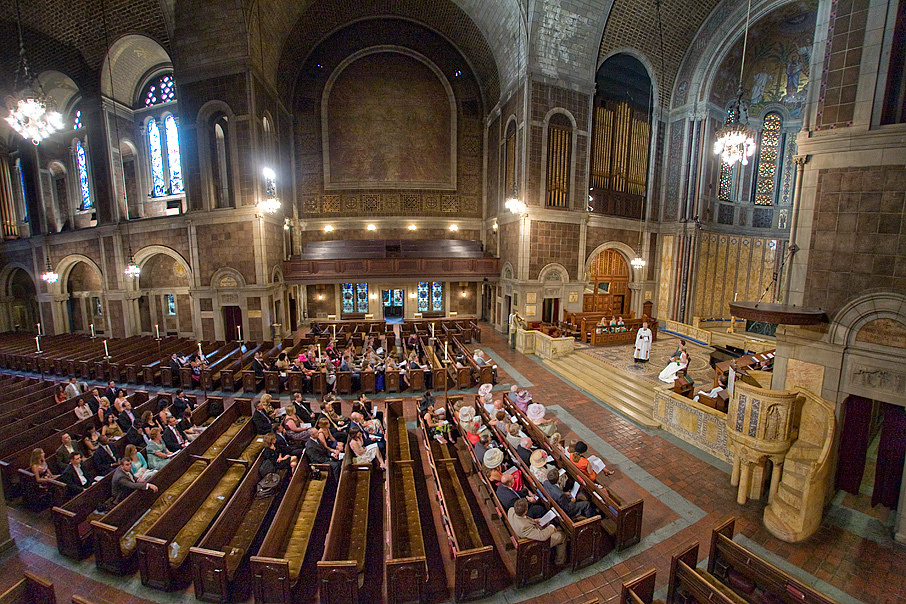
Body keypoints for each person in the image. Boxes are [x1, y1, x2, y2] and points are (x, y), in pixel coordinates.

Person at [508, 498, 567, 566]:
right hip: (534, 544)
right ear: (525, 511)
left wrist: (534, 520)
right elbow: (542, 536)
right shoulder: (524, 527)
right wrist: (552, 527)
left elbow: (523, 518)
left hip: (529, 532)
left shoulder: (511, 510)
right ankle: (559, 562)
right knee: (562, 536)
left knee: (558, 528)